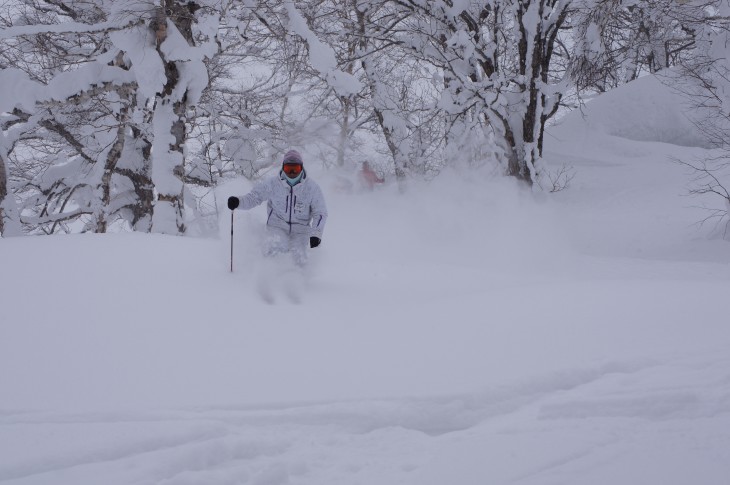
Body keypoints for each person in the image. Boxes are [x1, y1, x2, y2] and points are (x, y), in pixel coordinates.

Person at [227, 150, 327, 266]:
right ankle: (272, 277)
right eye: (289, 169)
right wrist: (238, 202)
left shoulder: (311, 188)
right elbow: (254, 198)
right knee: (276, 246)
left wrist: (316, 234)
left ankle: (298, 281)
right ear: (283, 168)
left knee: (300, 255)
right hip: (277, 226)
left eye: (296, 169)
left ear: (301, 168)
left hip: (301, 231)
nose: (292, 172)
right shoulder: (272, 184)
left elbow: (320, 213)